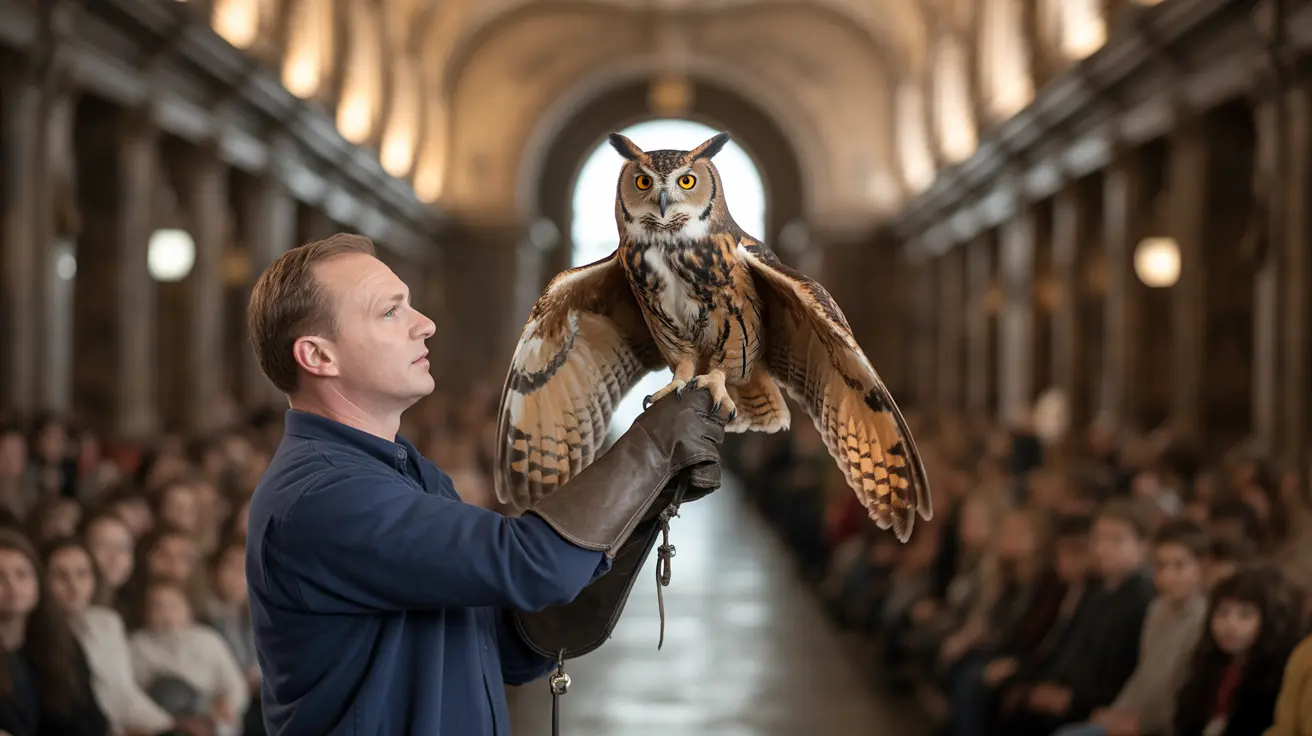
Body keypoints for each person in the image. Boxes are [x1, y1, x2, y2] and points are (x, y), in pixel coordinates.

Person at [243, 234, 726, 735]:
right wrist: (651, 446)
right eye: (390, 312)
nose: (425, 324)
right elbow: (532, 564)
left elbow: (501, 648)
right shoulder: (325, 496)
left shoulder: (405, 470)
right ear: (319, 357)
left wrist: (648, 500)